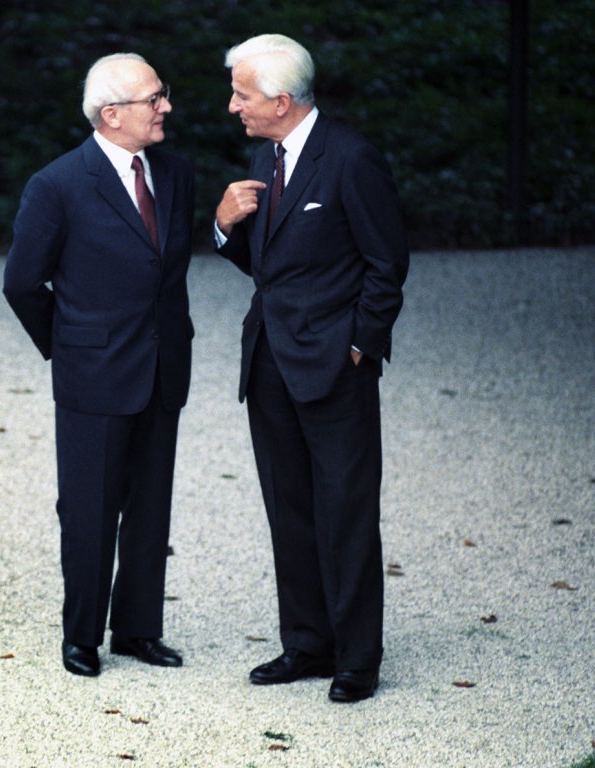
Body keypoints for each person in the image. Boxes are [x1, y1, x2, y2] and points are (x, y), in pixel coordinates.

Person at [214, 34, 408, 703]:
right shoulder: (260, 158)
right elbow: (266, 265)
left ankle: (358, 659)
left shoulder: (351, 159)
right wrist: (222, 227)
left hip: (335, 366)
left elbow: (387, 264)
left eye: (243, 93)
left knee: (346, 510)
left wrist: (361, 345)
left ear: (281, 99)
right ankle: (306, 644)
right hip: (268, 358)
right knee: (288, 507)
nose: (234, 105)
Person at [3, 53, 195, 677]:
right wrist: (70, 344)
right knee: (89, 509)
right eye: (153, 98)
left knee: (150, 507)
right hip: (93, 374)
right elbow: (22, 283)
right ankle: (81, 635)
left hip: (163, 366)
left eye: (163, 94)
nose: (165, 105)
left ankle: (138, 630)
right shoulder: (57, 185)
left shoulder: (176, 174)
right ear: (112, 115)